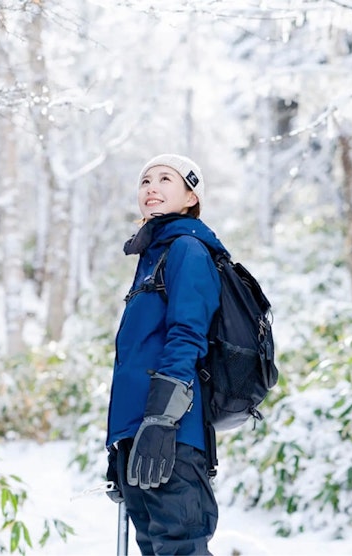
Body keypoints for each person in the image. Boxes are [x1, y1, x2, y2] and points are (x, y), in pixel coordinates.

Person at [105, 153, 228, 555]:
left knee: (181, 546)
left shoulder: (187, 250)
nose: (151, 188)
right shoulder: (151, 259)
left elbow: (188, 334)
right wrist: (120, 443)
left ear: (191, 197)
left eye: (165, 179)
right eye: (145, 181)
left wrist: (161, 418)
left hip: (171, 432)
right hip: (140, 434)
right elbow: (137, 358)